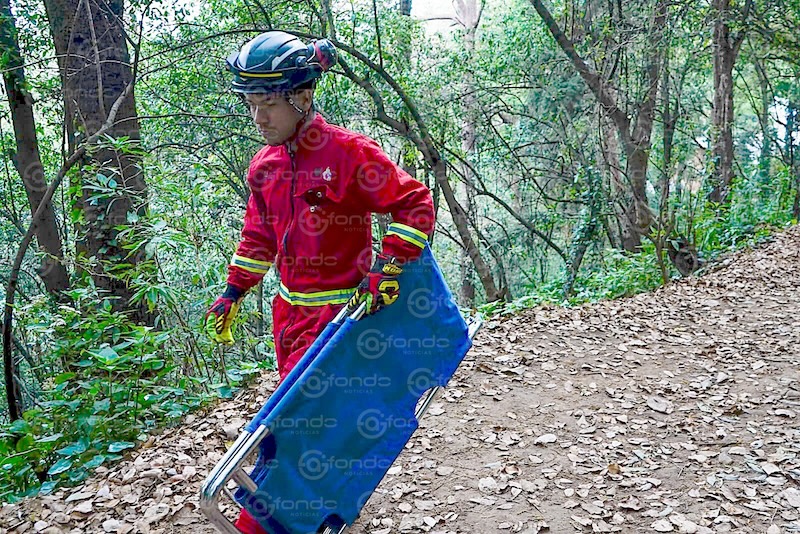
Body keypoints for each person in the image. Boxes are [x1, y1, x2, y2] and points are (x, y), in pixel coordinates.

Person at [204, 31, 435, 534]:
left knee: (311, 421)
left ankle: (280, 517)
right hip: (287, 316)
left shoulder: (348, 154)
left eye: (267, 104)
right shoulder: (264, 167)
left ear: (302, 97)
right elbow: (258, 236)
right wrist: (234, 291)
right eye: (250, 104)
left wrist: (388, 268)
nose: (257, 117)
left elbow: (413, 203)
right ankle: (314, 504)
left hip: (341, 320)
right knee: (297, 415)